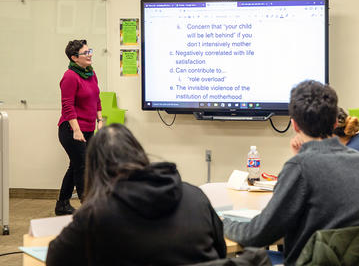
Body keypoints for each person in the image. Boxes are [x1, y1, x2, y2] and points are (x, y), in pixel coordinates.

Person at [223, 80, 359, 266]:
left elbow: (257, 234)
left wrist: (223, 223)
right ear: (335, 122)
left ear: (294, 125)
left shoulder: (301, 166)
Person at [46, 124, 227, 266]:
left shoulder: (96, 214)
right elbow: (222, 253)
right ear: (139, 154)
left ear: (95, 169)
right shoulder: (195, 195)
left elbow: (55, 259)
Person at [55, 40, 103, 215]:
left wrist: (100, 119)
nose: (89, 54)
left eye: (89, 50)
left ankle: (62, 204)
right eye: (85, 53)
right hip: (71, 130)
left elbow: (97, 97)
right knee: (83, 166)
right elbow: (67, 105)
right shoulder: (69, 76)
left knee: (76, 165)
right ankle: (88, 208)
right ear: (74, 58)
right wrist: (76, 130)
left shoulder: (90, 73)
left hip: (89, 128)